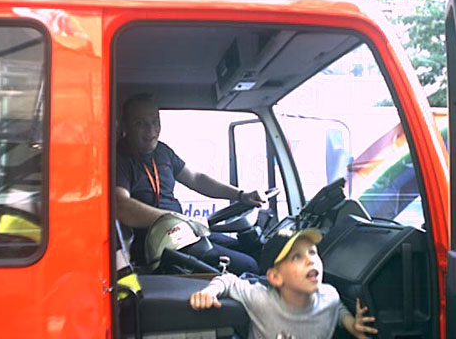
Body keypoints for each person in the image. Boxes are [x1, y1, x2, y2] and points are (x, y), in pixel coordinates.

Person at [116, 93, 264, 274]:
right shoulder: (119, 158)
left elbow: (196, 179)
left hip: (183, 233)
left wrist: (241, 195)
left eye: (155, 122)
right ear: (125, 126)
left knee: (251, 249)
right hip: (159, 246)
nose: (151, 131)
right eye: (140, 124)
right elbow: (121, 205)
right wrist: (176, 218)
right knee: (249, 266)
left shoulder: (162, 151)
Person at [189, 228, 379, 339]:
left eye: (313, 252)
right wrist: (209, 293)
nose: (310, 260)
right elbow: (229, 280)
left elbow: (337, 307)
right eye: (297, 257)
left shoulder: (329, 295)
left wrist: (351, 324)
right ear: (275, 277)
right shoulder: (261, 299)